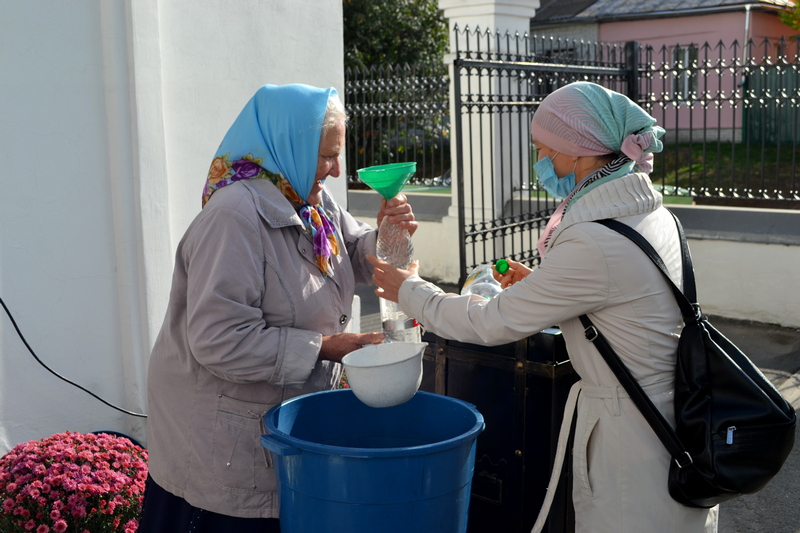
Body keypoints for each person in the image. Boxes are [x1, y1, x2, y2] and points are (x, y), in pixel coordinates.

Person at [368, 82, 718, 532]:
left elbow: (493, 322)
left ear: (576, 151)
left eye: (543, 150)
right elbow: (618, 300)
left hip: (634, 445)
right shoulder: (647, 214)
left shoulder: (594, 237)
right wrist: (542, 286)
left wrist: (412, 290)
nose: (540, 164)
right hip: (672, 424)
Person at [139, 83, 417, 532]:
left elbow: (352, 249)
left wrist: (387, 231)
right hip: (220, 448)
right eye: (326, 156)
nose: (336, 168)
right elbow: (218, 342)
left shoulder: (309, 200)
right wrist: (327, 347)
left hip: (277, 430)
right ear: (290, 144)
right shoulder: (234, 218)